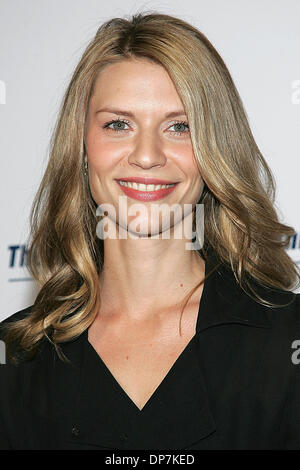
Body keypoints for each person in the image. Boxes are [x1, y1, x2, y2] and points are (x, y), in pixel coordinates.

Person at [0, 11, 299, 451]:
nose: (146, 155)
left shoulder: (287, 341)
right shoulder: (19, 353)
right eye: (118, 124)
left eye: (180, 126)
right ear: (81, 147)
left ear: (214, 147)